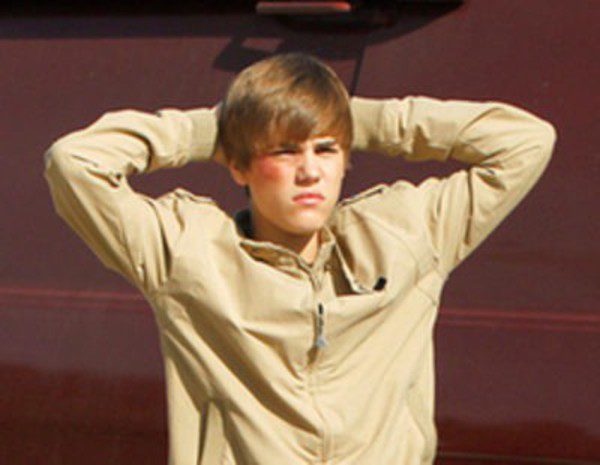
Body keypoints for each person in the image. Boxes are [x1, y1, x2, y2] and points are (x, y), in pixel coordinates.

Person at [44, 52, 556, 465]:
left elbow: (525, 142)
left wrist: (347, 116)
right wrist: (227, 126)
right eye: (285, 151)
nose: (310, 171)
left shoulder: (406, 235)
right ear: (238, 165)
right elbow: (75, 164)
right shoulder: (188, 254)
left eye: (327, 149)